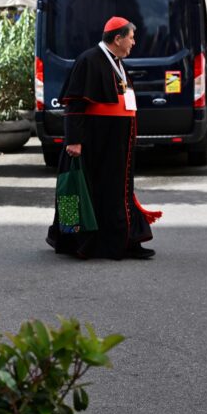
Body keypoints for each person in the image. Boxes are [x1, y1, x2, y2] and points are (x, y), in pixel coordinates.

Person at [46, 16, 161, 260]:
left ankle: (123, 241)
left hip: (115, 144)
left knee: (115, 191)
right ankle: (74, 242)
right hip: (91, 142)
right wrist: (74, 140)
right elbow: (74, 104)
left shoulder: (117, 62)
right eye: (131, 37)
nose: (134, 42)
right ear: (117, 38)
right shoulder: (88, 60)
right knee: (78, 191)